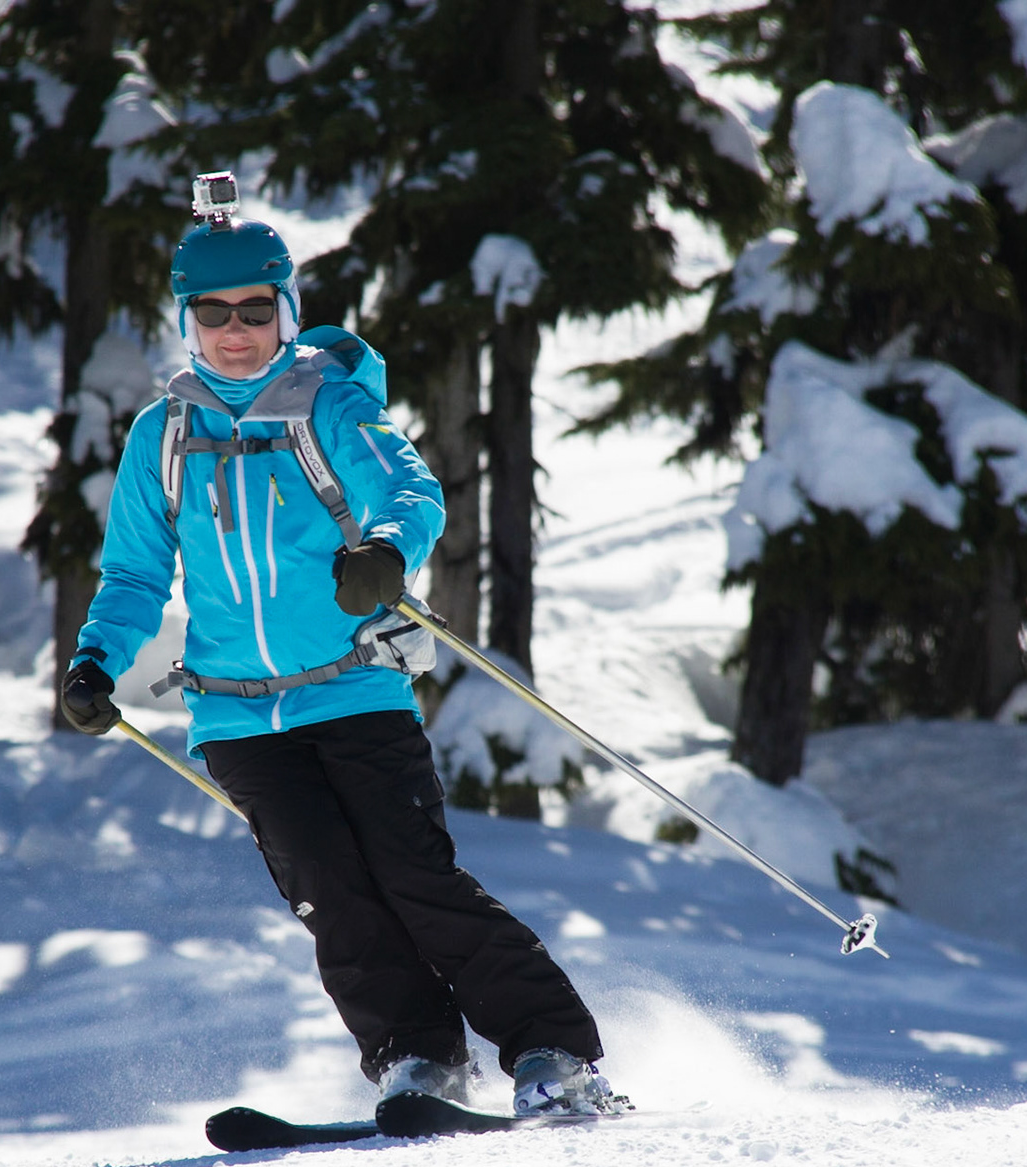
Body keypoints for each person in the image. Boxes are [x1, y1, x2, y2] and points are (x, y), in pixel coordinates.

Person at [59, 181, 622, 1116]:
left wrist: (385, 554)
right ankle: (418, 1058)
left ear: (284, 312)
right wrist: (95, 664)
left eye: (253, 311)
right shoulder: (163, 436)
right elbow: (132, 575)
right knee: (331, 897)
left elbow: (413, 491)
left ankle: (556, 1057)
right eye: (213, 313)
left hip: (354, 692)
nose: (234, 330)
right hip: (236, 714)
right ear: (186, 319)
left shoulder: (328, 409)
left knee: (415, 879)